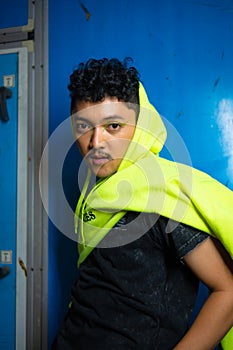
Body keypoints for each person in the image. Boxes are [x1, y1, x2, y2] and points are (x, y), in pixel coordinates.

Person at [52, 58, 233, 350]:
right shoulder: (95, 193)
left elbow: (229, 291)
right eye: (83, 126)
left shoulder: (163, 194)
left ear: (140, 127)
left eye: (113, 125)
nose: (96, 141)